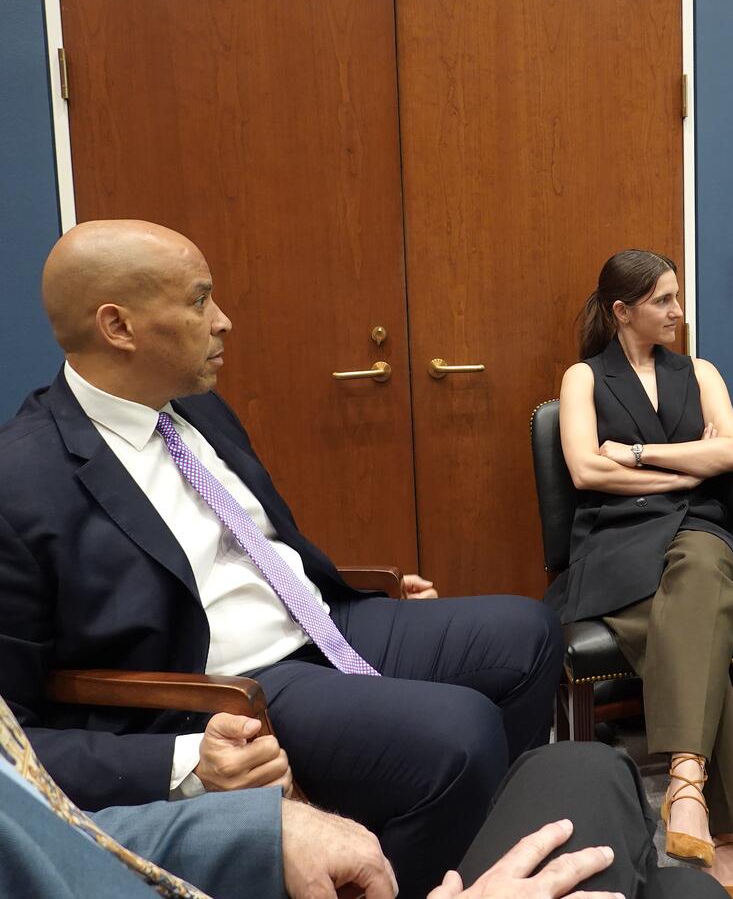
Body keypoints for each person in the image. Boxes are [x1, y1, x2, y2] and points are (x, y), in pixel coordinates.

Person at [0, 220, 563, 896]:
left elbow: (255, 542)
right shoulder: (20, 479)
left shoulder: (196, 409)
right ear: (118, 326)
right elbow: (15, 735)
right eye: (199, 300)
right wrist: (181, 761)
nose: (223, 320)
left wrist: (352, 586)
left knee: (528, 632)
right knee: (460, 734)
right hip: (228, 682)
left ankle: (466, 849)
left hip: (321, 618)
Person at [0, 692, 723, 899]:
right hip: (234, 675)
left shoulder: (205, 421)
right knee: (583, 767)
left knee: (685, 886)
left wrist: (264, 829)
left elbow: (50, 828)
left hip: (313, 627)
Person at [549, 249, 733, 899]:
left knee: (701, 572)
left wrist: (640, 456)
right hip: (615, 537)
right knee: (691, 634)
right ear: (622, 311)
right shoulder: (584, 378)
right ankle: (717, 828)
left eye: (677, 296)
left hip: (698, 526)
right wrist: (686, 468)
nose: (678, 311)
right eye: (663, 300)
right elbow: (586, 469)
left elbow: (732, 452)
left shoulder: (699, 371)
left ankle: (687, 781)